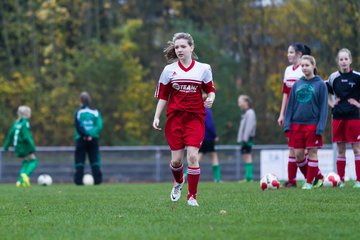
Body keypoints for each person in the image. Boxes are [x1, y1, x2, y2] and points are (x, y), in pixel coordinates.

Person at [153, 32, 216, 207]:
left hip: (195, 118)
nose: (179, 50)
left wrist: (211, 99)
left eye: (183, 46)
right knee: (176, 161)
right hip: (175, 119)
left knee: (193, 157)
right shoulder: (169, 70)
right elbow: (163, 96)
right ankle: (179, 181)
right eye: (177, 47)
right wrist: (156, 117)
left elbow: (210, 90)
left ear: (191, 47)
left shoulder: (203, 68)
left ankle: (192, 196)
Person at [278, 42, 323, 187]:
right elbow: (287, 96)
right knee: (296, 153)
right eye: (303, 66)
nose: (304, 68)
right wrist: (283, 115)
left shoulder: (317, 82)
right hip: (295, 120)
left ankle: (309, 181)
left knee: (309, 152)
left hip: (311, 121)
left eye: (291, 52)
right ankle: (315, 177)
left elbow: (322, 104)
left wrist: (320, 125)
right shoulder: (292, 76)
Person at [326, 48, 360, 188]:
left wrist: (358, 104)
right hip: (338, 117)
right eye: (341, 59)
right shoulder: (333, 77)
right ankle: (340, 180)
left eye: (346, 59)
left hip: (354, 117)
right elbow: (324, 91)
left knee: (357, 149)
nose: (344, 61)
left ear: (350, 61)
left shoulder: (357, 77)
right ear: (338, 62)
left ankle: (358, 180)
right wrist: (331, 104)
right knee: (341, 150)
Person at [3, 106, 38, 187]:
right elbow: (26, 136)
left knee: (26, 162)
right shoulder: (25, 122)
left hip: (17, 148)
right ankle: (26, 175)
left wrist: (6, 146)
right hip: (24, 147)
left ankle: (20, 181)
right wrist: (32, 146)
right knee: (34, 161)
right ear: (27, 113)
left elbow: (9, 135)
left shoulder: (16, 123)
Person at [74, 92, 103, 185]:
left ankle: (78, 181)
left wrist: (85, 135)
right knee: (94, 159)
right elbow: (99, 126)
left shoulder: (78, 112)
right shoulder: (95, 112)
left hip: (81, 138)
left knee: (80, 160)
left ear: (80, 101)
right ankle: (97, 181)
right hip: (93, 139)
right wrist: (90, 135)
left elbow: (78, 126)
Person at [198, 96, 221, 183]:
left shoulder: (199, 110)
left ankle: (185, 175)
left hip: (201, 136)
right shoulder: (206, 110)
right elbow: (210, 125)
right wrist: (214, 136)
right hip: (208, 137)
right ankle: (217, 179)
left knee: (198, 156)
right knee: (213, 156)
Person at [237, 95, 256, 182]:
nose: (239, 104)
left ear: (246, 102)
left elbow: (249, 127)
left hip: (247, 139)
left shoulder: (250, 113)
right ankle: (248, 177)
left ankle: (249, 178)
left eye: (240, 102)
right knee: (246, 156)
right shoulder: (247, 113)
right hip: (245, 139)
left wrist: (245, 139)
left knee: (248, 156)